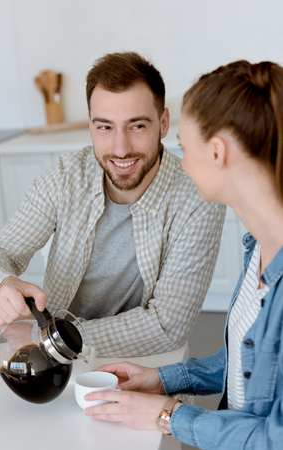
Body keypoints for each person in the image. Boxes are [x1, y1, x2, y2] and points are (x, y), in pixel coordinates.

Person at [82, 60, 283, 448]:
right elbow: (254, 362)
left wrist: (167, 416)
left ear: (218, 152)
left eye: (184, 148)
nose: (181, 163)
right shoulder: (258, 246)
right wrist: (163, 378)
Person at [0, 52, 225, 357]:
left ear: (163, 123)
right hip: (56, 356)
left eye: (137, 126)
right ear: (90, 126)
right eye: (105, 127)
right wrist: (2, 282)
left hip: (146, 360)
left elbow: (167, 326)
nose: (120, 149)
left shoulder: (198, 196)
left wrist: (55, 337)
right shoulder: (65, 175)